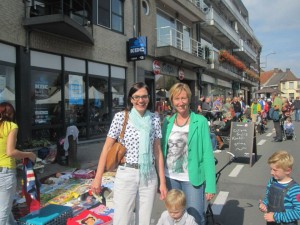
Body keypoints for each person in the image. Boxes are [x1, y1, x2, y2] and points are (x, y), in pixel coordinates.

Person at [91, 82, 167, 225]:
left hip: (149, 175)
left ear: (149, 98)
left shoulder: (155, 118)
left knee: (144, 221)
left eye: (144, 96)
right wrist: (97, 177)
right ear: (131, 99)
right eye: (136, 97)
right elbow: (106, 148)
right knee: (122, 219)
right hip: (127, 173)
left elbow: (157, 152)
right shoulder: (121, 117)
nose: (141, 100)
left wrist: (162, 182)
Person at [161, 83, 216, 225]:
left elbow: (207, 154)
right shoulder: (167, 122)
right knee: (174, 216)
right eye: (177, 99)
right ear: (172, 101)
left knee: (195, 217)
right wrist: (160, 180)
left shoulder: (200, 121)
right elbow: (161, 152)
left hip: (192, 179)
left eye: (183, 98)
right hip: (170, 177)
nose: (180, 102)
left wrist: (210, 184)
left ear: (189, 99)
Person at [0, 102, 36, 225]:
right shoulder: (11, 126)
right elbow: (10, 152)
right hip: (5, 172)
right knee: (3, 213)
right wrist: (29, 155)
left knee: (5, 206)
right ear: (11, 114)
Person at [259, 151, 300, 224]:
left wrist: (275, 217)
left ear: (288, 171)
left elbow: (298, 212)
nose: (271, 172)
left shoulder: (295, 190)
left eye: (275, 170)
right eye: (271, 169)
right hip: (271, 222)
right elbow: (268, 197)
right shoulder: (272, 181)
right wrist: (264, 204)